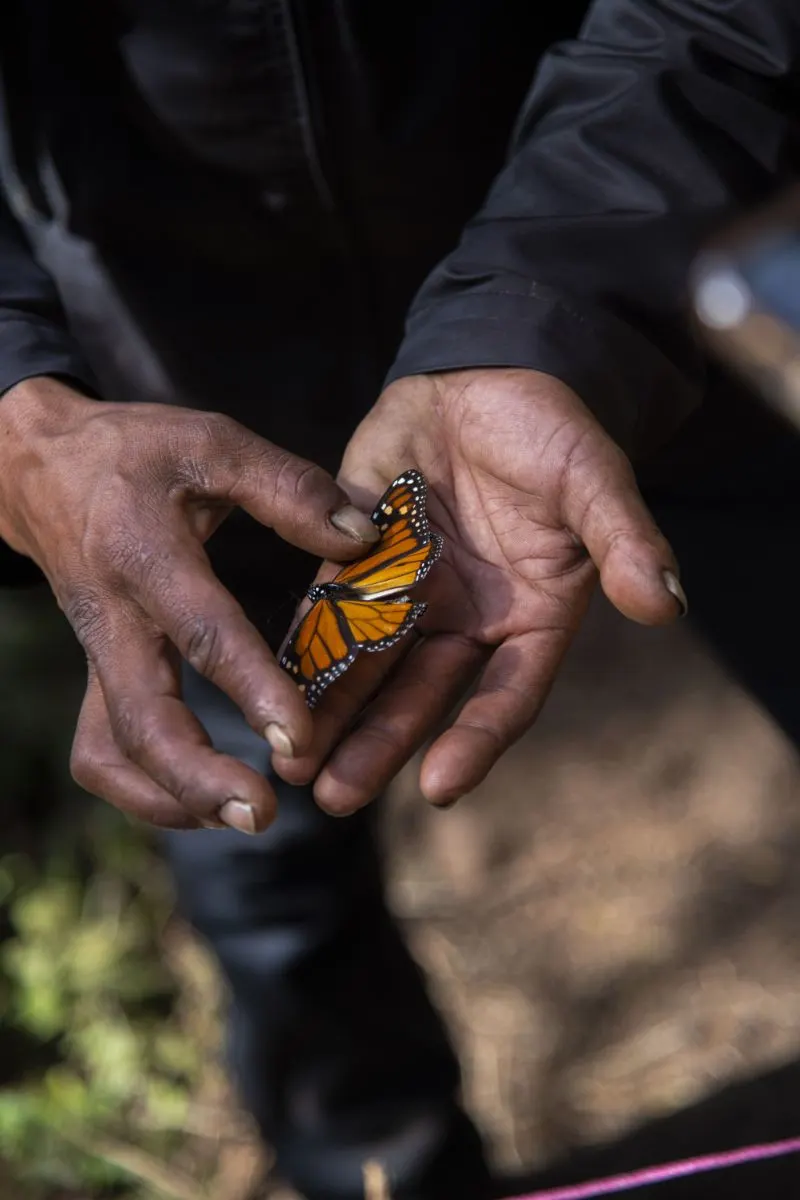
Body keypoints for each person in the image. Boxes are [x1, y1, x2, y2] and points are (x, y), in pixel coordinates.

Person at [0, 2, 798, 1197]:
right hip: (174, 403)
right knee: (266, 843)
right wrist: (15, 402)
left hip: (626, 285)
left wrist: (551, 304)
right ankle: (377, 1165)